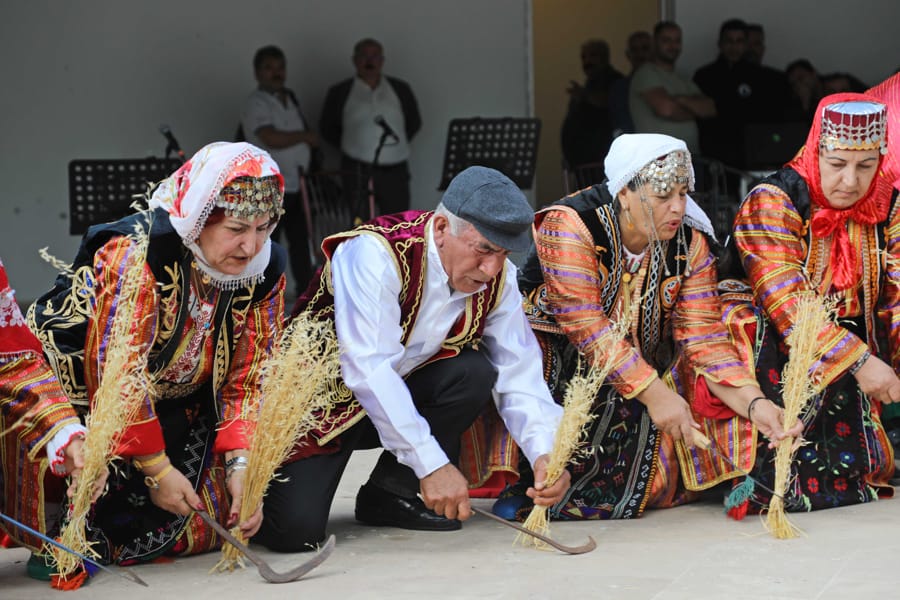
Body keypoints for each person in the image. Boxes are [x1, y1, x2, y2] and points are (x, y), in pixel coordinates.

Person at [253, 166, 569, 552]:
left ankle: (389, 494)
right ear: (440, 228)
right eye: (483, 249)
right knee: (295, 534)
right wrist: (431, 465)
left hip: (393, 401)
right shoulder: (374, 253)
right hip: (320, 409)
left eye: (503, 253)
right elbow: (369, 370)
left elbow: (519, 373)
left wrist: (544, 452)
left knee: (471, 372)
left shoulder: (498, 279)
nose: (492, 269)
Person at [491, 133, 798, 521]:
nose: (676, 208)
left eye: (684, 194)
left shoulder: (691, 242)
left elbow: (703, 336)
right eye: (662, 196)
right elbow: (585, 325)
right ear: (624, 194)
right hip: (564, 357)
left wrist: (755, 404)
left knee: (657, 406)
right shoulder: (571, 225)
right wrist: (654, 395)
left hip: (639, 368)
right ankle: (527, 480)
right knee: (543, 363)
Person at [24, 142, 287, 568]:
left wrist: (242, 464)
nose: (251, 246)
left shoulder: (264, 272)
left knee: (220, 515)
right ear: (200, 217)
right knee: (88, 523)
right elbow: (117, 371)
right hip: (87, 397)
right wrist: (158, 470)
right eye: (237, 228)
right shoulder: (141, 252)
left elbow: (251, 375)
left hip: (173, 403)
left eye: (263, 228)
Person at [723, 94, 896, 511]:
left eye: (866, 166)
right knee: (748, 320)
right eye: (837, 164)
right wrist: (858, 361)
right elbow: (786, 300)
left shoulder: (887, 203)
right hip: (777, 337)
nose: (851, 182)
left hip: (850, 334)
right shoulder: (774, 199)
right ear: (815, 148)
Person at [241, 45, 319, 294]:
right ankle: (264, 297)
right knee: (267, 242)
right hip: (268, 186)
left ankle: (305, 295)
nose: (276, 73)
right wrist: (305, 136)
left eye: (280, 67)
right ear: (257, 73)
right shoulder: (256, 102)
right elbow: (270, 137)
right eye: (269, 68)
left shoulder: (290, 98)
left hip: (297, 184)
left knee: (300, 241)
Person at [319, 38, 421, 216]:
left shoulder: (400, 89)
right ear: (355, 60)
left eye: (374, 56)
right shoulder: (340, 92)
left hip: (395, 171)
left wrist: (393, 147)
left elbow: (413, 122)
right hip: (357, 170)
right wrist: (354, 147)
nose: (369, 61)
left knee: (398, 224)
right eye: (364, 56)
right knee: (361, 225)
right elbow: (327, 127)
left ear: (382, 61)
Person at [629, 21, 715, 155]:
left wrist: (680, 100)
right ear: (654, 43)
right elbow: (667, 110)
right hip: (658, 163)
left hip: (689, 161)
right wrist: (694, 110)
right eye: (666, 40)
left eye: (677, 40)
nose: (672, 45)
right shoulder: (645, 73)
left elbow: (710, 109)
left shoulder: (683, 78)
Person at [560, 39, 624, 168]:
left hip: (599, 163)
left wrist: (584, 95)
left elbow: (608, 102)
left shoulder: (615, 81)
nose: (587, 61)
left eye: (593, 56)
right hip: (582, 164)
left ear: (604, 57)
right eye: (584, 57)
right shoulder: (589, 83)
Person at [609, 31, 653, 139]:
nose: (640, 54)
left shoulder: (664, 82)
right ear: (628, 54)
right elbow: (620, 125)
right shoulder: (620, 88)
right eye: (635, 50)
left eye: (645, 48)